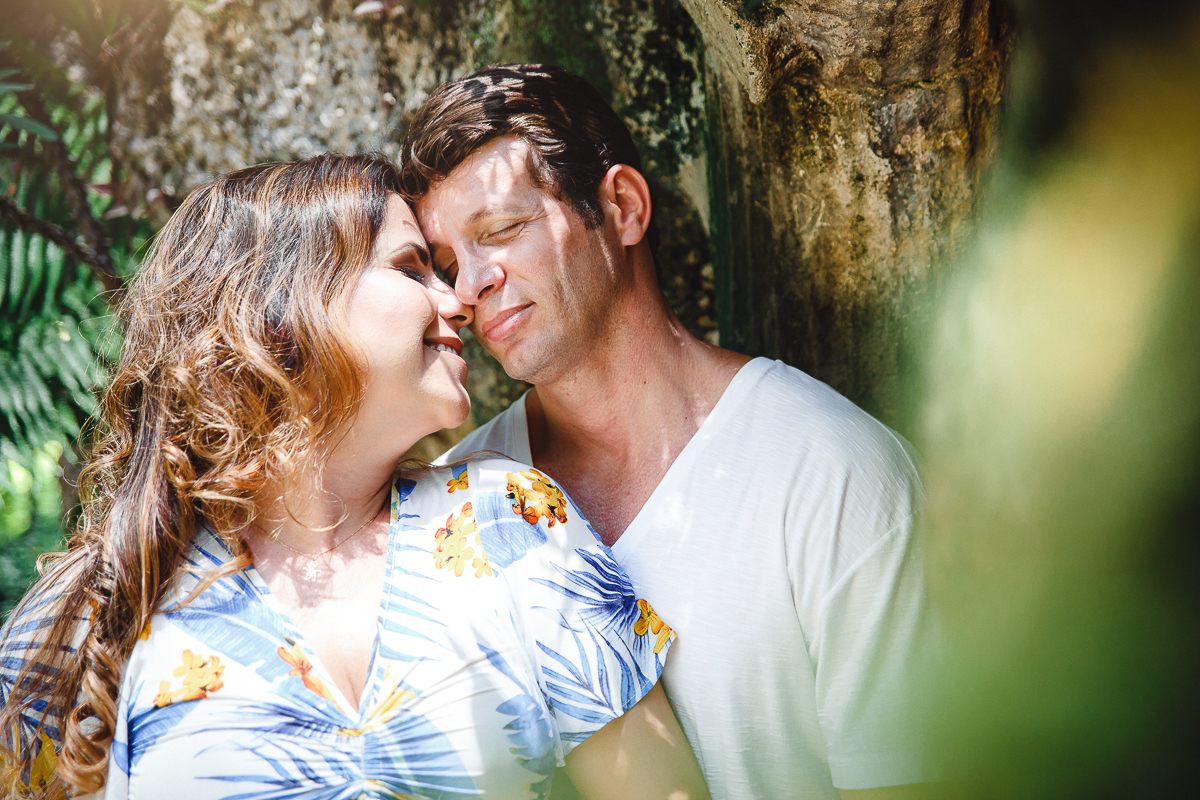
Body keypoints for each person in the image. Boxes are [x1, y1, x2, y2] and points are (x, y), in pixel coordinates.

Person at [0, 155, 709, 800]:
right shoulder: (93, 607)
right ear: (280, 305)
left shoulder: (513, 524)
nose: (460, 298)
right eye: (411, 267)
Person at [401, 65, 932, 800]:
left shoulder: (832, 472)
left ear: (621, 207)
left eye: (502, 231)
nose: (468, 289)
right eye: (450, 264)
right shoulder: (450, 509)